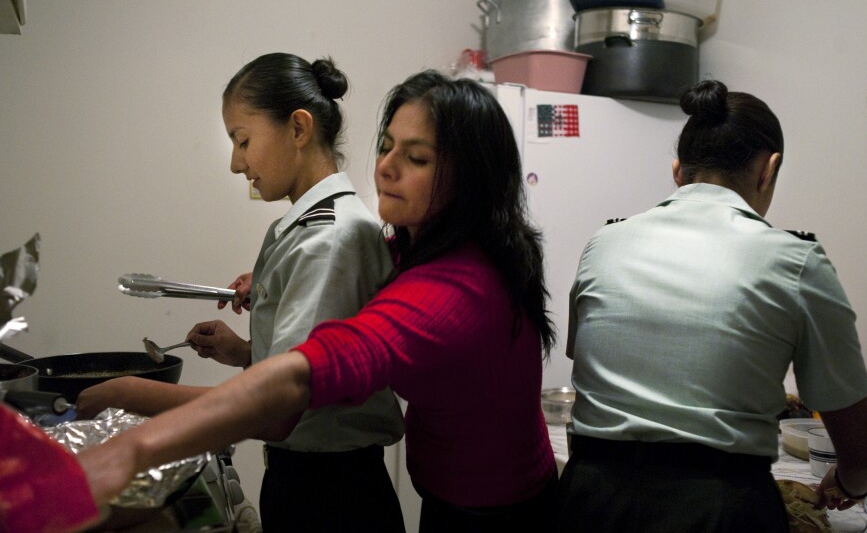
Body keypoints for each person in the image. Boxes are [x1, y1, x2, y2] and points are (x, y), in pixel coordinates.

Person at [78, 69, 559, 532]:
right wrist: (262, 319)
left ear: (468, 178)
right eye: (386, 146)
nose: (385, 167)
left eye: (416, 158)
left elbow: (308, 374)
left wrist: (132, 412)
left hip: (497, 510)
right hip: (447, 488)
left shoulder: (452, 287)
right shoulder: (426, 248)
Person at [75, 52, 406, 533]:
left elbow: (276, 416)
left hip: (332, 498)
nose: (235, 163)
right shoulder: (303, 230)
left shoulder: (327, 241)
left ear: (298, 128)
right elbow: (315, 370)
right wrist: (248, 353)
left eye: (242, 139)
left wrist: (129, 393)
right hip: (314, 484)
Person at [555, 79, 867, 532]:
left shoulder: (603, 243)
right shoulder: (796, 260)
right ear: (770, 169)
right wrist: (851, 485)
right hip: (718, 510)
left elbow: (581, 358)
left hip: (588, 501)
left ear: (677, 172)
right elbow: (863, 456)